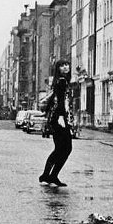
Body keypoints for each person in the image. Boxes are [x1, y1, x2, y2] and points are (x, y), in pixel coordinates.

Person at [39, 59, 73, 187]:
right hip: (60, 118)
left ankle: (48, 175)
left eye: (67, 65)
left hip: (59, 117)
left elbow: (53, 98)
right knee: (65, 148)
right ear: (58, 68)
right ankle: (51, 175)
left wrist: (48, 111)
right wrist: (61, 117)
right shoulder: (62, 81)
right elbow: (59, 100)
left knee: (60, 149)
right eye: (62, 65)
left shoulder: (60, 81)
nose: (66, 67)